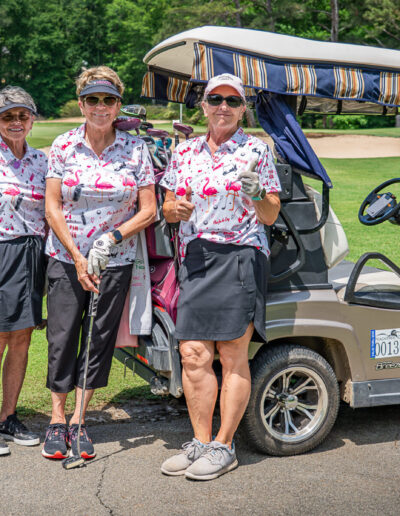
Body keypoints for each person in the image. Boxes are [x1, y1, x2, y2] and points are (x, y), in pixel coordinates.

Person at [160, 73, 281, 480]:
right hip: (196, 257)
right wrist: (174, 210)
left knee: (231, 354)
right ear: (204, 105)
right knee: (193, 354)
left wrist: (258, 192)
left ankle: (224, 446)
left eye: (232, 101)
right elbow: (169, 204)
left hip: (240, 255)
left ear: (243, 108)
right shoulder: (185, 151)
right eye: (215, 99)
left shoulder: (256, 150)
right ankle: (201, 442)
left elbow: (270, 215)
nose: (223, 107)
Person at [43, 66, 156, 460]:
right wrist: (78, 257)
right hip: (66, 258)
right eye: (93, 99)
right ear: (81, 104)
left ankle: (79, 420)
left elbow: (149, 209)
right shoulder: (64, 145)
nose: (101, 106)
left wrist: (112, 238)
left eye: (109, 99)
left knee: (98, 339)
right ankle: (57, 420)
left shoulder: (135, 149)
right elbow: (52, 207)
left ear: (118, 105)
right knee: (61, 338)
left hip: (115, 260)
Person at [0, 86, 47, 456]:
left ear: (32, 119)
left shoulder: (41, 160)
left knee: (21, 338)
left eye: (22, 115)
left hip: (33, 254)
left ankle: (8, 416)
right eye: (7, 116)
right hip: (2, 249)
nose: (16, 122)